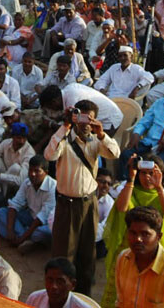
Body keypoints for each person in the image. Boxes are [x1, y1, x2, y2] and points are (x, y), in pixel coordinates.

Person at [45, 99, 121, 295]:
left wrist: (102, 133)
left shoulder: (96, 142)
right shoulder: (65, 139)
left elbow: (115, 153)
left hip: (88, 204)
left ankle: (83, 297)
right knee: (64, 253)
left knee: (87, 254)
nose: (85, 123)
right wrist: (65, 126)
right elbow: (49, 155)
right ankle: (60, 295)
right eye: (81, 118)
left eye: (90, 118)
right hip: (66, 204)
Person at [101, 154, 164, 308]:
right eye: (144, 173)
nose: (147, 178)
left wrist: (159, 187)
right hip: (129, 250)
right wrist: (131, 178)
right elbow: (121, 208)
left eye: (152, 173)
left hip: (154, 252)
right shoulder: (131, 190)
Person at [114, 206, 164, 308]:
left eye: (145, 234)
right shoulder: (123, 259)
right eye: (133, 233)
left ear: (159, 237)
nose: (138, 239)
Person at [0, 155, 56, 254]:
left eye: (37, 171)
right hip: (30, 217)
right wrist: (10, 230)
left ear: (46, 172)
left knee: (45, 233)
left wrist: (21, 238)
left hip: (44, 224)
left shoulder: (53, 187)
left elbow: (41, 218)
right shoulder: (27, 183)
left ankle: (22, 238)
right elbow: (14, 204)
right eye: (30, 170)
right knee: (2, 212)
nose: (32, 174)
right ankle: (28, 240)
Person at [25, 257, 96, 308]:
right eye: (50, 280)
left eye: (60, 282)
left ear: (73, 284)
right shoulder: (34, 299)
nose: (54, 286)